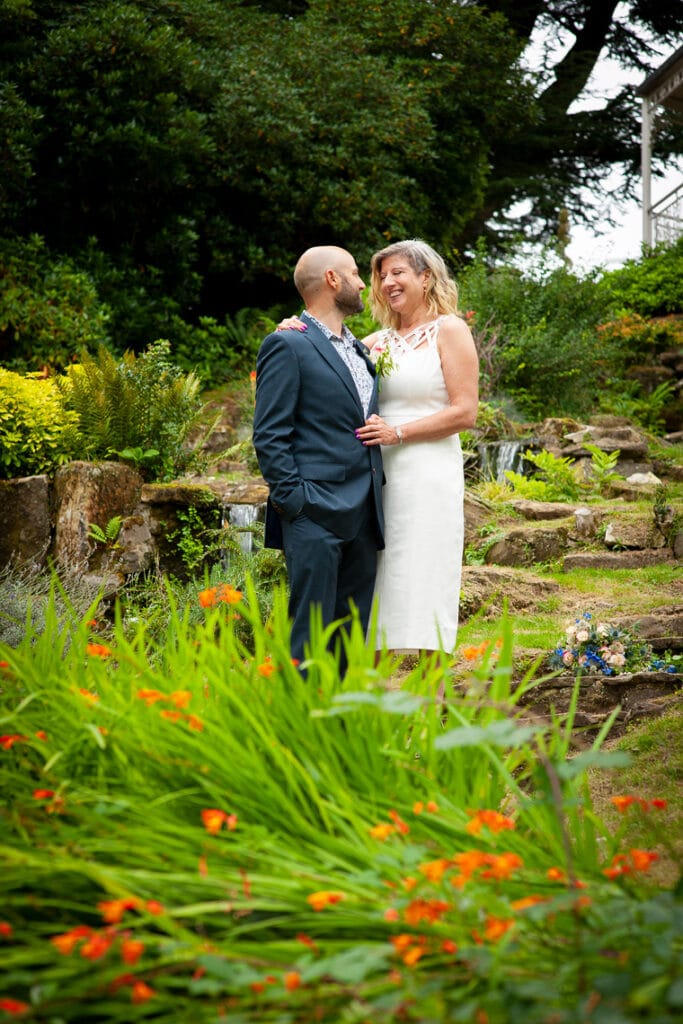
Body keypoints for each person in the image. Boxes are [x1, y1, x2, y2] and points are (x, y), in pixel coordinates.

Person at [278, 239, 478, 657]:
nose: (387, 283)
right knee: (375, 592)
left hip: (427, 475)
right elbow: (320, 357)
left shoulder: (450, 329)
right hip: (375, 482)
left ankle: (429, 711)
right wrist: (293, 328)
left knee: (424, 587)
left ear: (426, 277)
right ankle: (374, 706)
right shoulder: (371, 343)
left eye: (398, 273)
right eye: (381, 275)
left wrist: (398, 434)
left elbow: (465, 412)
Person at [252, 245, 385, 670]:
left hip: (364, 515)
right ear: (332, 279)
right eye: (355, 273)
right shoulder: (287, 345)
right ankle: (297, 732)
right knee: (308, 642)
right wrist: (297, 504)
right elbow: (270, 435)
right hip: (314, 514)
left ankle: (340, 735)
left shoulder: (359, 351)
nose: (363, 282)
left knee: (350, 640)